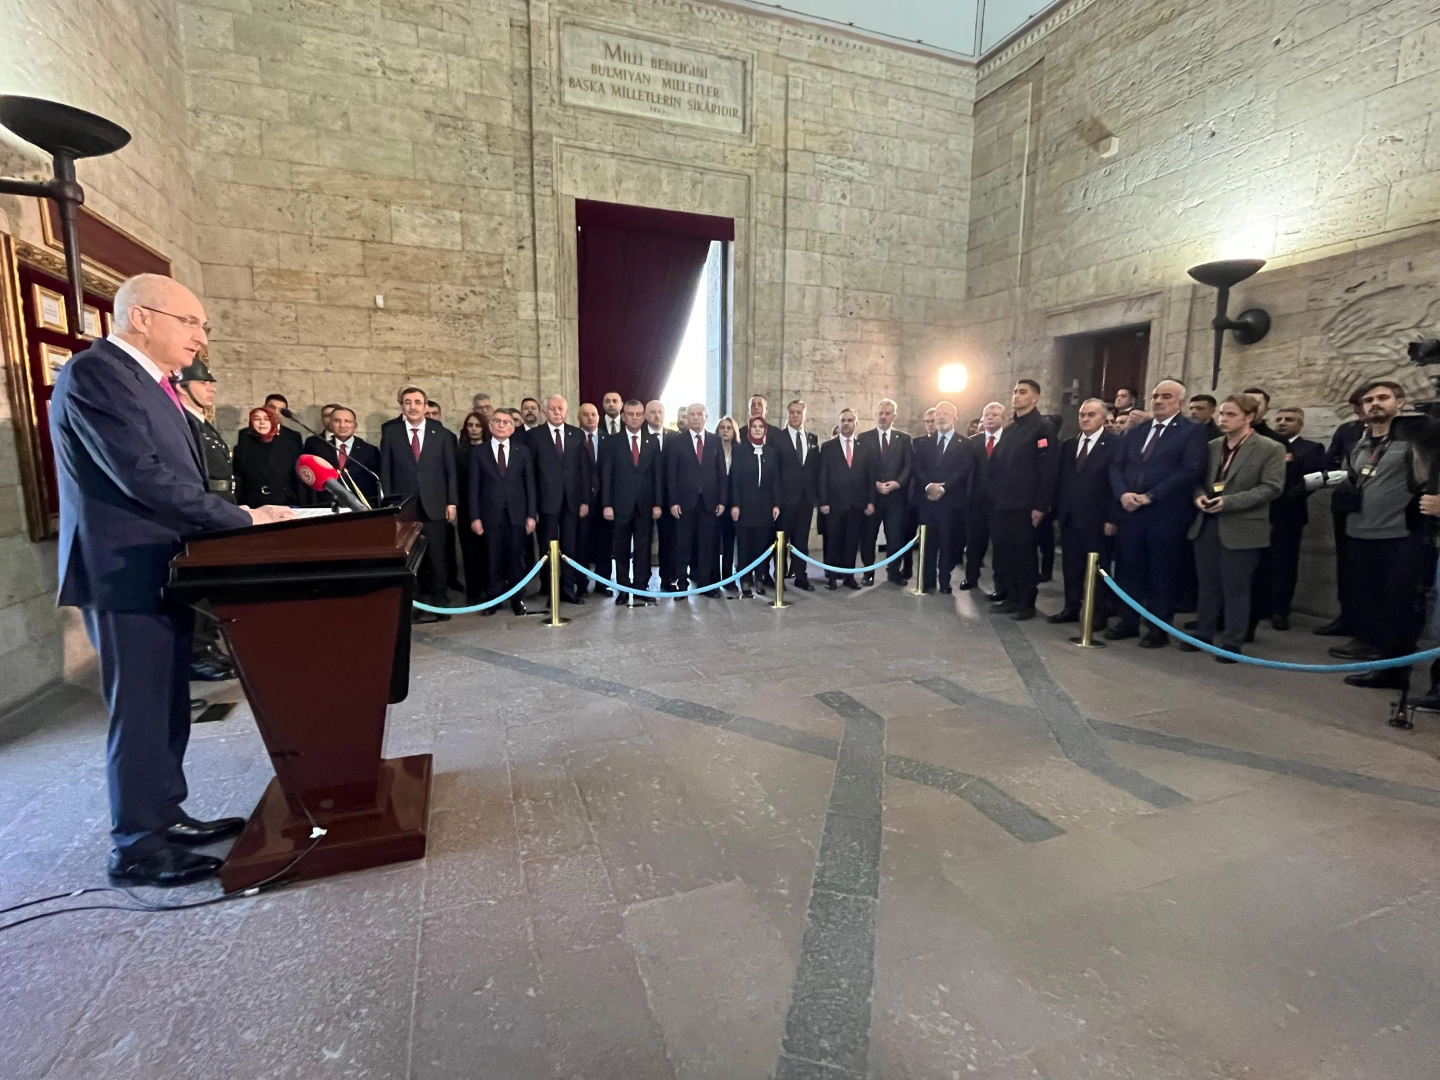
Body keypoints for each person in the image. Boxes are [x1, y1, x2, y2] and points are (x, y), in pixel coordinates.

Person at [51, 273, 293, 887]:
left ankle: (165, 814)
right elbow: (142, 476)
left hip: (165, 567)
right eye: (189, 322)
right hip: (124, 570)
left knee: (167, 705)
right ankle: (137, 845)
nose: (200, 337)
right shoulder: (97, 373)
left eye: (202, 326)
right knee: (140, 709)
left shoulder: (154, 382)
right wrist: (241, 519)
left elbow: (180, 479)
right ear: (141, 317)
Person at [1328, 381, 1438, 689]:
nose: (1375, 403)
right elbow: (1352, 477)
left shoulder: (1415, 440)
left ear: (1399, 402)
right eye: (1369, 399)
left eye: (1383, 397)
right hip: (1361, 533)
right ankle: (1375, 656)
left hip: (1401, 535)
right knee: (1369, 600)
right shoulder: (1360, 444)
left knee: (1399, 606)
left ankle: (1393, 671)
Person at [1177, 394, 1285, 660]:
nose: (1223, 419)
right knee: (1207, 585)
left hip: (1242, 525)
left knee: (1236, 588)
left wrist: (1229, 501)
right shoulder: (1213, 446)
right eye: (1222, 414)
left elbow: (1271, 487)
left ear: (1249, 417)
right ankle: (1204, 632)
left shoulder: (1270, 448)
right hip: (1207, 523)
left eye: (1231, 414)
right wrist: (1199, 496)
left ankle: (1232, 641)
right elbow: (1198, 480)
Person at [1106, 378, 1209, 647]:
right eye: (1155, 396)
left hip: (1165, 513)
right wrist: (1123, 494)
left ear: (1180, 402)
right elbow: (1117, 466)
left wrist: (1151, 496)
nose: (1159, 401)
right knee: (1129, 569)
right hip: (1131, 511)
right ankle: (1128, 621)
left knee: (1162, 572)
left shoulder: (1191, 431)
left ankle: (1158, 628)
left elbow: (1190, 470)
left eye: (1166, 396)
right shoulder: (1137, 431)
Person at [176, 357, 237, 683]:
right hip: (205, 511)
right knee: (202, 584)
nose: (211, 387)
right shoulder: (183, 423)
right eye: (203, 382)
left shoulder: (200, 421)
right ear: (181, 387)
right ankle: (197, 652)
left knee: (214, 581)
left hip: (220, 506)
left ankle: (208, 643)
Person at [380, 385, 458, 623]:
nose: (412, 407)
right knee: (409, 558)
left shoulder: (441, 433)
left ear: (425, 406)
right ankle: (412, 604)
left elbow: (450, 471)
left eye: (417, 402)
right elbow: (386, 471)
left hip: (435, 503)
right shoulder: (391, 433)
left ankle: (439, 602)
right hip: (405, 507)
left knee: (437, 557)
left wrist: (452, 502)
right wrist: (390, 505)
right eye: (407, 402)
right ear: (401, 406)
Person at [987, 380, 1058, 621]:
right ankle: (1011, 596)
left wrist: (1040, 505)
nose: (1016, 395)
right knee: (1005, 553)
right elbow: (996, 465)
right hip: (1003, 503)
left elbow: (1047, 470)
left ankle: (1026, 603)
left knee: (1025, 555)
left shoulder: (1043, 429)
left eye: (1023, 392)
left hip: (1025, 505)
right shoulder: (1009, 430)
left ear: (1035, 398)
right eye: (1015, 391)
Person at [1049, 398, 1118, 627]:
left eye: (1091, 415)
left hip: (1098, 517)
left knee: (1098, 568)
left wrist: (1112, 518)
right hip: (1070, 516)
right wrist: (1057, 511)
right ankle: (1071, 607)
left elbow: (1116, 483)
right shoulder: (1069, 444)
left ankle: (1097, 612)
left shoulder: (1114, 444)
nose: (1085, 419)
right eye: (1082, 415)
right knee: (1071, 566)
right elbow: (1061, 479)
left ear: (1103, 418)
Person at [1253, 407, 1323, 631]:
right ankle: (1260, 606)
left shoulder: (1310, 448)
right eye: (1279, 419)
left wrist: (1287, 495)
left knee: (1284, 564)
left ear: (1300, 424)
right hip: (1262, 511)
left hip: (1289, 513)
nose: (1282, 423)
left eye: (1289, 419)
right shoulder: (1267, 444)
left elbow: (1310, 478)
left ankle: (1280, 611)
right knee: (1260, 563)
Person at [467, 408, 535, 617]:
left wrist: (531, 515)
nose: (502, 425)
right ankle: (494, 600)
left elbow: (530, 485)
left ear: (512, 428)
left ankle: (517, 599)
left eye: (506, 422)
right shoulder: (479, 452)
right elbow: (473, 487)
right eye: (497, 421)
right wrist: (475, 517)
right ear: (490, 425)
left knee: (516, 560)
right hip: (490, 515)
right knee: (492, 559)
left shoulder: (522, 451)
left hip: (517, 514)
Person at [525, 394, 592, 605]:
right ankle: (550, 589)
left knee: (570, 547)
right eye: (552, 409)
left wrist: (585, 500)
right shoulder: (534, 436)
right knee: (548, 547)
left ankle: (567, 589)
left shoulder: (576, 434)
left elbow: (584, 470)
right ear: (545, 411)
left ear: (566, 410)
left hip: (572, 501)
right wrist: (532, 507)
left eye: (560, 408)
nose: (557, 412)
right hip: (546, 502)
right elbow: (530, 473)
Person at [1315, 388, 1367, 637]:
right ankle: (1347, 616)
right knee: (1346, 563)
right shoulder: (1348, 430)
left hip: (1381, 508)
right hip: (1346, 502)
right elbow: (1330, 459)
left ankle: (1371, 625)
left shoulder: (1400, 432)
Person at [602, 399, 663, 607]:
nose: (635, 418)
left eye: (638, 414)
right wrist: (607, 504)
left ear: (643, 417)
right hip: (620, 504)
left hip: (646, 504)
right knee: (620, 549)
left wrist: (657, 503)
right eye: (630, 414)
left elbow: (657, 475)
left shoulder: (652, 441)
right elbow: (606, 475)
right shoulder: (612, 442)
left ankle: (640, 587)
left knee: (643, 548)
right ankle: (623, 588)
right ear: (623, 416)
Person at [913, 401, 975, 594]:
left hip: (950, 502)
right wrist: (929, 486)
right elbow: (917, 468)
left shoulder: (965, 444)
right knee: (928, 543)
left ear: (954, 418)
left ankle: (945, 581)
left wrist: (944, 487)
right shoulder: (923, 443)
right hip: (928, 501)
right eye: (938, 414)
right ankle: (928, 580)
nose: (940, 417)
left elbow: (964, 469)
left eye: (945, 414)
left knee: (948, 543)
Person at [666, 403, 727, 597]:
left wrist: (722, 500)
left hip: (709, 502)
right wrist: (673, 501)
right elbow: (671, 474)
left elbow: (721, 472)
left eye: (699, 414)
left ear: (705, 417)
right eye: (691, 414)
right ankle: (682, 585)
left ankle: (704, 585)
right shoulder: (676, 441)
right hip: (684, 503)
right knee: (682, 545)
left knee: (706, 546)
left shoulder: (715, 440)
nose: (695, 417)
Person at [818, 408, 877, 590]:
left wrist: (870, 501)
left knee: (852, 542)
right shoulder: (828, 447)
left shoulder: (864, 448)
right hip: (834, 504)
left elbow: (870, 476)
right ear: (839, 422)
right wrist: (823, 501)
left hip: (856, 504)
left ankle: (849, 577)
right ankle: (831, 577)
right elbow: (822, 476)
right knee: (833, 541)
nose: (846, 423)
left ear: (855, 423)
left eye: (850, 420)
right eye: (843, 420)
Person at [858, 398, 913, 586]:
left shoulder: (904, 439)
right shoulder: (864, 438)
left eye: (887, 413)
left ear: (894, 417)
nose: (883, 417)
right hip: (872, 497)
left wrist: (897, 483)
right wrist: (873, 484)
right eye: (880, 413)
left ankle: (893, 572)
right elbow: (860, 467)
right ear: (876, 415)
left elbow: (908, 466)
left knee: (895, 537)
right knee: (868, 537)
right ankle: (868, 572)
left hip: (895, 498)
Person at [730, 416, 781, 598]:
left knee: (761, 546)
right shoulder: (740, 451)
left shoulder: (771, 452)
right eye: (754, 426)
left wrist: (776, 503)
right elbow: (735, 480)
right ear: (749, 430)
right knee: (744, 546)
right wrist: (735, 504)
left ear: (765, 430)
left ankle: (760, 578)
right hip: (744, 506)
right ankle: (745, 580)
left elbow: (775, 480)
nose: (757, 429)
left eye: (761, 427)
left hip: (764, 507)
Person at [778, 399, 821, 592]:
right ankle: (779, 577)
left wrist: (816, 496)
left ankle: (801, 577)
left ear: (805, 415)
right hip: (785, 498)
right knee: (781, 540)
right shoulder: (778, 438)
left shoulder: (812, 439)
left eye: (799, 412)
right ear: (788, 414)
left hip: (806, 499)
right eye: (792, 412)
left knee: (801, 541)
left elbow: (815, 469)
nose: (795, 415)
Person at [302, 405, 381, 506]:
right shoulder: (318, 448)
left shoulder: (370, 450)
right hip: (326, 506)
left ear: (355, 425)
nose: (342, 425)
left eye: (347, 421)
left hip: (359, 507)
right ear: (331, 425)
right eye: (337, 421)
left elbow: (374, 484)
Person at [963, 402, 1004, 591]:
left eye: (994, 415)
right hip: (976, 501)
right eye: (986, 415)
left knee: (999, 545)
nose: (990, 418)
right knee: (974, 543)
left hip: (999, 502)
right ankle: (971, 578)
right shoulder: (973, 442)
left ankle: (999, 584)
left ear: (1003, 419)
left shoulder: (1009, 441)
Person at [455, 411, 490, 604]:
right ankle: (474, 593)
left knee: (489, 552)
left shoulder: (491, 451)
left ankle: (490, 590)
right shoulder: (459, 453)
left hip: (488, 508)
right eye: (470, 425)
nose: (474, 429)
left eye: (478, 425)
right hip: (465, 509)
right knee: (470, 553)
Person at [234, 406, 301, 507]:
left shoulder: (289, 446)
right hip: (252, 504)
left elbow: (296, 480)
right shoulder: (242, 447)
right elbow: (239, 479)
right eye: (257, 419)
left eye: (266, 419)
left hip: (283, 503)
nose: (262, 422)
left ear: (273, 421)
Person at [576, 402, 610, 596]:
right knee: (581, 544)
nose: (590, 418)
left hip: (604, 500)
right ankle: (581, 584)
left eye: (593, 414)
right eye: (586, 414)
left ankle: (602, 583)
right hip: (581, 500)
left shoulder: (608, 439)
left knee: (604, 543)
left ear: (599, 417)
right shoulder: (573, 439)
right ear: (579, 417)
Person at [646, 399, 680, 590]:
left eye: (660, 412)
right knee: (643, 543)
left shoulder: (675, 437)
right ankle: (641, 581)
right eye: (652, 412)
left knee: (669, 541)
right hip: (644, 498)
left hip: (668, 499)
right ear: (645, 415)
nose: (657, 415)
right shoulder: (639, 436)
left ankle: (668, 579)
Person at [716, 416, 740, 592]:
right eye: (722, 427)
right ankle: (713, 578)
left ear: (734, 431)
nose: (725, 430)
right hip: (714, 502)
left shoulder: (740, 451)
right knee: (713, 542)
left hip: (733, 502)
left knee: (730, 542)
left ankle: (727, 576)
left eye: (729, 428)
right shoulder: (711, 449)